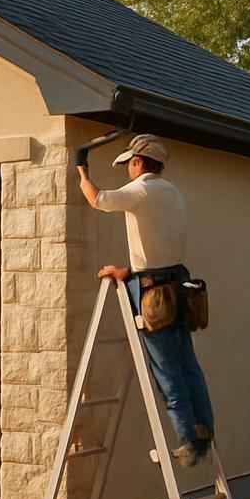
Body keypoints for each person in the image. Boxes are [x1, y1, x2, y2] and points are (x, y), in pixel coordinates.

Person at [75, 133, 214, 468]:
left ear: (138, 162)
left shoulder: (141, 190)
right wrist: (128, 271)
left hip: (154, 295)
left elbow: (98, 200)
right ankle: (203, 433)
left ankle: (187, 442)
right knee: (188, 365)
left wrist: (81, 171)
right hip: (178, 286)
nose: (128, 170)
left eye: (129, 164)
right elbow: (158, 245)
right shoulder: (173, 193)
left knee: (167, 370)